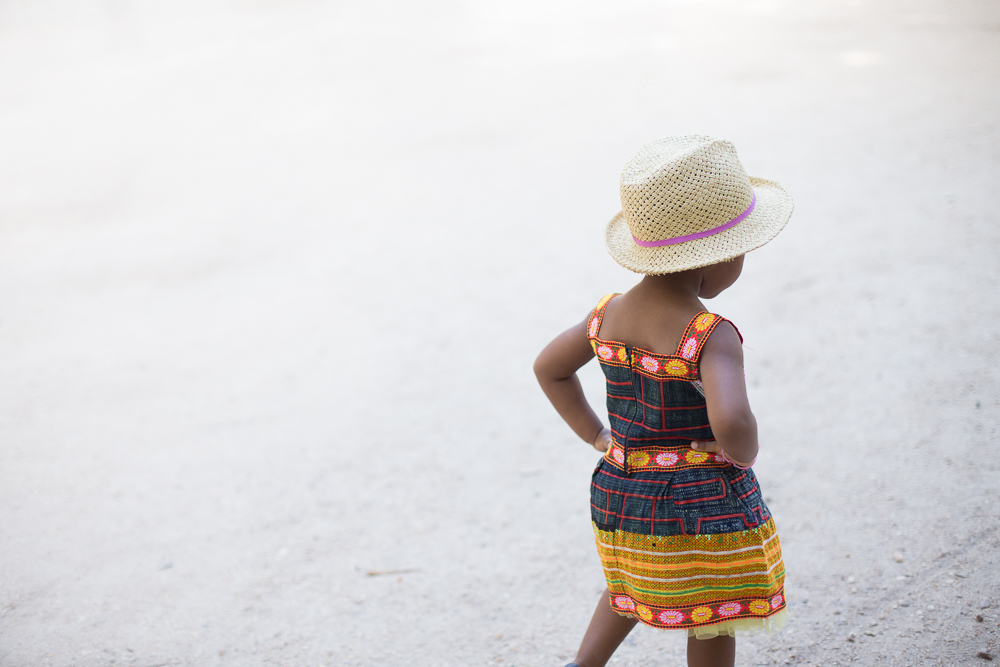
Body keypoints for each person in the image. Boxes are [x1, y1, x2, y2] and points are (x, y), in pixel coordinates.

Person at [534, 136, 794, 667]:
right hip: (699, 501)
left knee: (626, 583)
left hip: (622, 488)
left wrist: (597, 436)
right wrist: (739, 451)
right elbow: (733, 419)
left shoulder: (607, 316)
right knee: (713, 611)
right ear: (716, 259)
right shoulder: (708, 333)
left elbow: (549, 367)